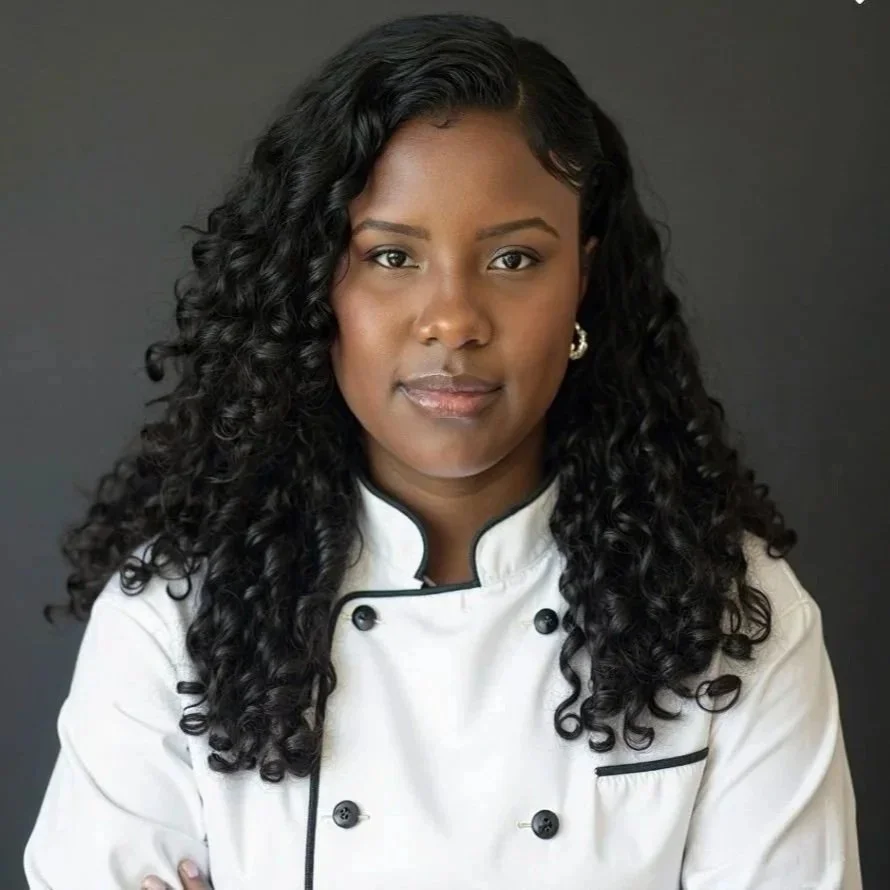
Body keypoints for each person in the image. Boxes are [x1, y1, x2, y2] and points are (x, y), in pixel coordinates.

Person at [23, 11, 861, 890]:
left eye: (512, 261)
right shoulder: (173, 616)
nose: (454, 319)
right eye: (390, 255)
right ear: (316, 289)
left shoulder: (731, 613)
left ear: (583, 277)